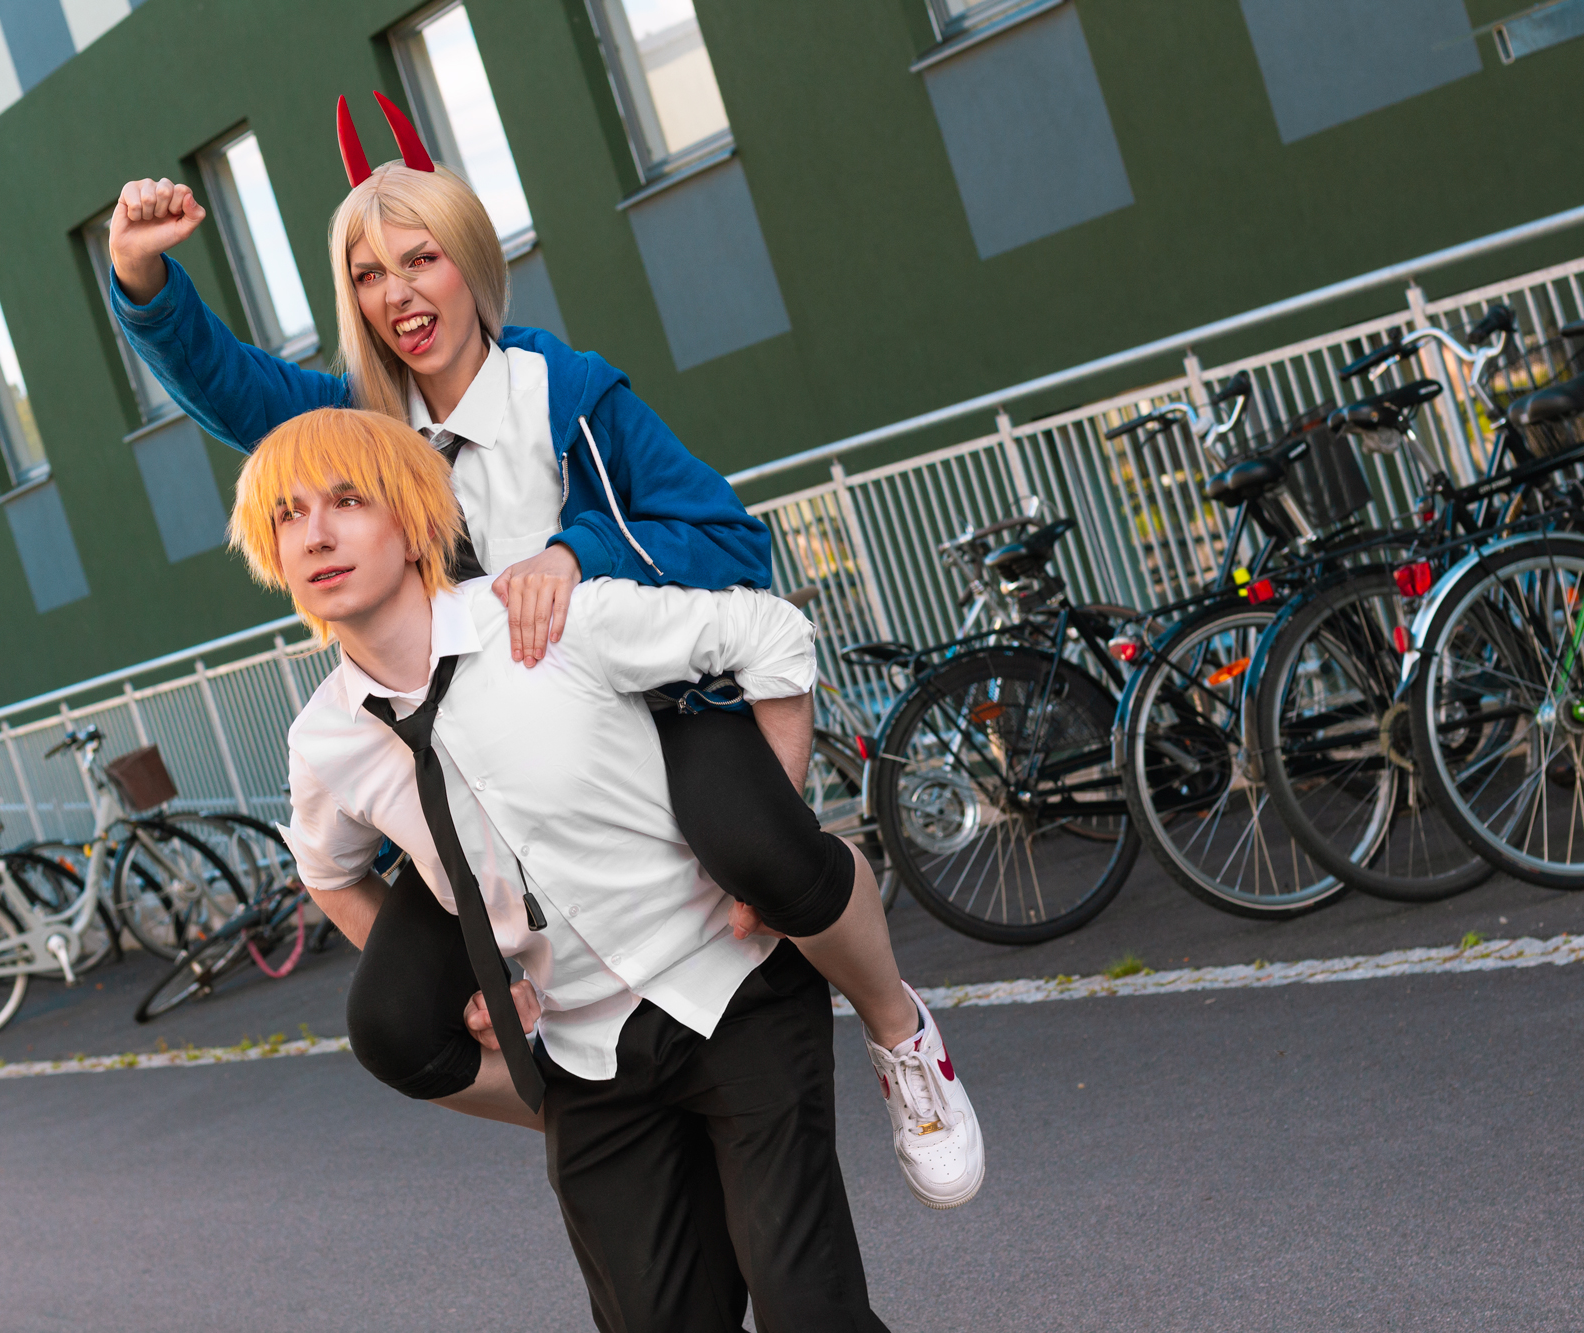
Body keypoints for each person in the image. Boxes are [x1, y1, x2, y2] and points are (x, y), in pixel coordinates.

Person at [107, 94, 980, 1207]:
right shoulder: (363, 427)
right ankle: (608, 1110)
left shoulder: (568, 395)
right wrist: (143, 278)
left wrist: (576, 550)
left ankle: (903, 1036)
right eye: (370, 273)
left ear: (470, 260)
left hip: (641, 712)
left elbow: (727, 539)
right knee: (394, 1020)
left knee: (764, 852)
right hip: (471, 765)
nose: (399, 293)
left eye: (419, 258)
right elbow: (230, 387)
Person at [242, 405, 940, 1329]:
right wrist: (472, 976)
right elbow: (328, 869)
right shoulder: (326, 739)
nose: (317, 533)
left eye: (347, 499)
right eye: (288, 516)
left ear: (410, 520)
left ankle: (900, 1023)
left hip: (731, 990)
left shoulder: (539, 618)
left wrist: (764, 841)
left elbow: (771, 638)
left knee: (809, 1311)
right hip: (583, 1059)